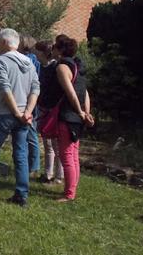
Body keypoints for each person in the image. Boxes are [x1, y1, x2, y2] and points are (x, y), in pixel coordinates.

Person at [0, 28, 39, 207]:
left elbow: (5, 88)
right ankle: (21, 195)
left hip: (5, 114)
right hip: (24, 115)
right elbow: (35, 88)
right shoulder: (29, 61)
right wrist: (28, 112)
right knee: (21, 154)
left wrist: (17, 113)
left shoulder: (1, 60)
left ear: (4, 43)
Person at [53, 35, 94, 202]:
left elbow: (70, 92)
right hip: (78, 116)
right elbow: (85, 92)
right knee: (74, 153)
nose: (53, 49)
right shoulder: (78, 66)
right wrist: (86, 113)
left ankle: (69, 194)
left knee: (66, 155)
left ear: (61, 50)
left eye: (55, 46)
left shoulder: (62, 67)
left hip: (69, 115)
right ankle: (72, 189)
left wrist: (79, 111)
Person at [33, 40, 64, 184]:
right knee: (47, 144)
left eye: (36, 51)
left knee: (56, 144)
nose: (35, 54)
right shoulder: (42, 67)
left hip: (54, 110)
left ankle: (59, 176)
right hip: (44, 108)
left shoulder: (56, 67)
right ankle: (48, 173)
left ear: (41, 53)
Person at [18, 35, 41, 176]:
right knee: (27, 133)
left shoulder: (30, 59)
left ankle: (33, 166)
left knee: (31, 133)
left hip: (28, 100)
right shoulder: (33, 59)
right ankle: (28, 164)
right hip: (29, 98)